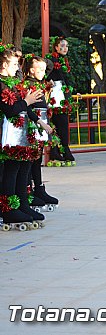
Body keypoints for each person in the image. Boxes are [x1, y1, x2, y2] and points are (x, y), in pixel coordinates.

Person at [0, 48, 52, 230]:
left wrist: (40, 122)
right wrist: (27, 101)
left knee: (21, 167)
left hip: (18, 134)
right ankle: (8, 209)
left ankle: (21, 205)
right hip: (6, 136)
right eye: (14, 64)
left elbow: (24, 108)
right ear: (4, 65)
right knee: (10, 170)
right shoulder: (1, 84)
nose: (17, 68)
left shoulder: (13, 83)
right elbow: (11, 110)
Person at [23, 55, 59, 210]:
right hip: (35, 124)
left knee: (37, 159)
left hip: (41, 122)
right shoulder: (28, 85)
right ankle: (30, 191)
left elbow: (50, 66)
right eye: (40, 69)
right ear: (31, 70)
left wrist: (39, 61)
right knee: (31, 160)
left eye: (44, 69)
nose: (45, 72)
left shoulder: (39, 83)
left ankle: (38, 189)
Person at [46, 37, 75, 165]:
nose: (65, 48)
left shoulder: (63, 60)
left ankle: (60, 150)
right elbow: (46, 73)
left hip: (61, 93)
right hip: (55, 94)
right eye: (62, 46)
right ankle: (58, 150)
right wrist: (48, 80)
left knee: (61, 122)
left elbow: (65, 78)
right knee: (58, 122)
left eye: (66, 46)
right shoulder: (52, 59)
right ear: (56, 47)